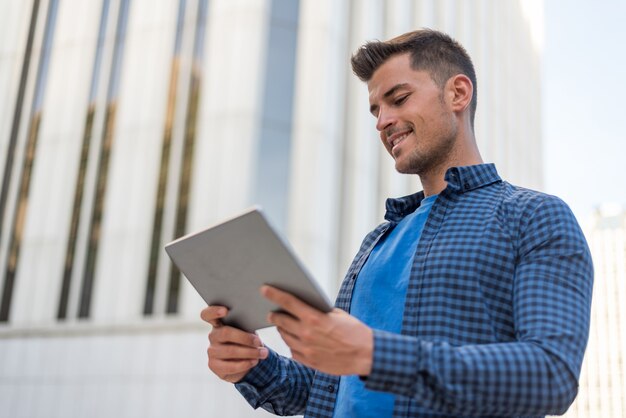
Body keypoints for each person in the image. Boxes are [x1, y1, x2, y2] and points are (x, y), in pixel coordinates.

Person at [200, 29, 593, 417]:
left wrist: (374, 353)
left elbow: (550, 375)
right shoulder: (378, 240)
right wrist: (253, 363)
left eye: (398, 99)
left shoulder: (533, 217)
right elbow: (329, 391)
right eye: (375, 110)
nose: (382, 121)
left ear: (458, 93)